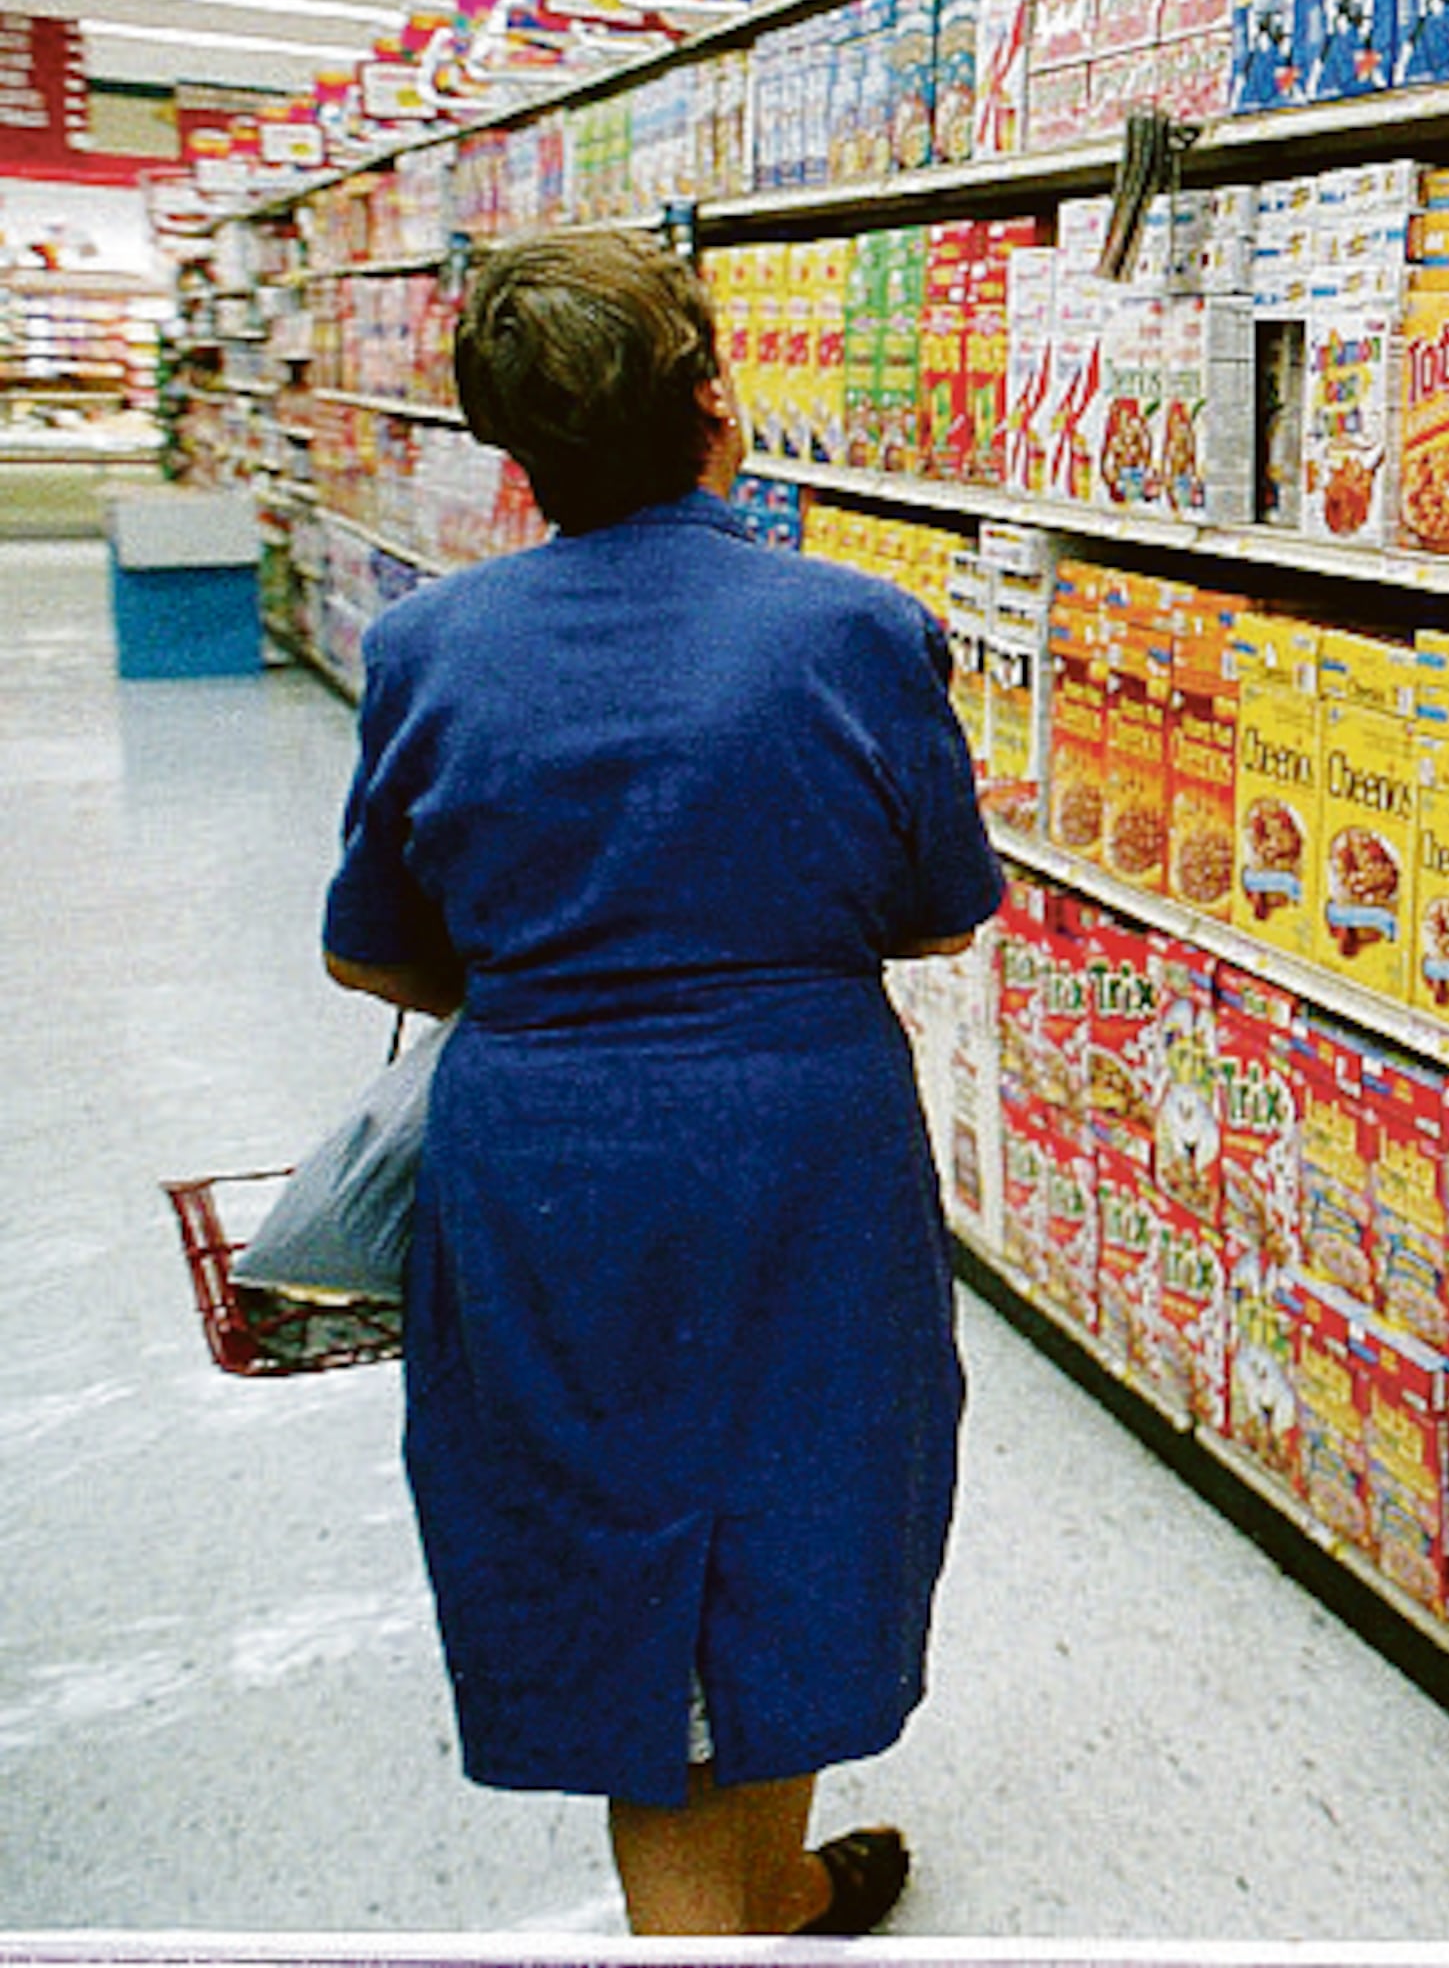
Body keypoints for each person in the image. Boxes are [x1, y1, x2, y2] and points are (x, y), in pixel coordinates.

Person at [319, 231, 1004, 1937]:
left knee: (599, 1516)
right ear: (718, 408)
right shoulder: (855, 628)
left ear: (513, 454)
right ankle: (731, 1900)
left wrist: (562, 959)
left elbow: (374, 948)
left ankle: (755, 1890)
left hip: (546, 1156)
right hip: (801, 1141)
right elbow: (938, 914)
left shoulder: (428, 647)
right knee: (810, 1498)